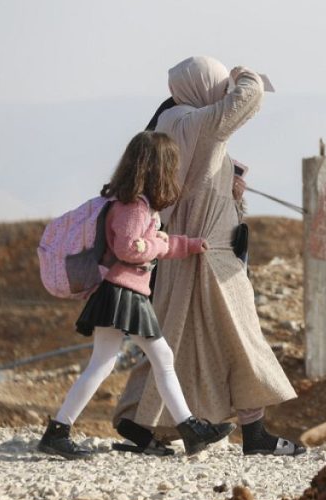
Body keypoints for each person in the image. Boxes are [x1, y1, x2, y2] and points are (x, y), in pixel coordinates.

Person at [112, 56, 304, 456]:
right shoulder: (196, 122)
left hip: (182, 252)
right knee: (240, 337)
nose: (221, 94)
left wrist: (229, 185)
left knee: (175, 340)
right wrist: (243, 75)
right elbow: (247, 101)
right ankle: (255, 435)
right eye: (216, 86)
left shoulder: (172, 122)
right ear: (203, 87)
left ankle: (141, 422)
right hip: (210, 256)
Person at [38, 131, 235, 460]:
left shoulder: (134, 205)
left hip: (119, 292)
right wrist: (157, 243)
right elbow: (130, 248)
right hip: (124, 293)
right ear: (158, 169)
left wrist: (185, 245)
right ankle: (191, 430)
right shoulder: (134, 208)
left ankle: (59, 431)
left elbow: (152, 243)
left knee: (108, 364)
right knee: (158, 359)